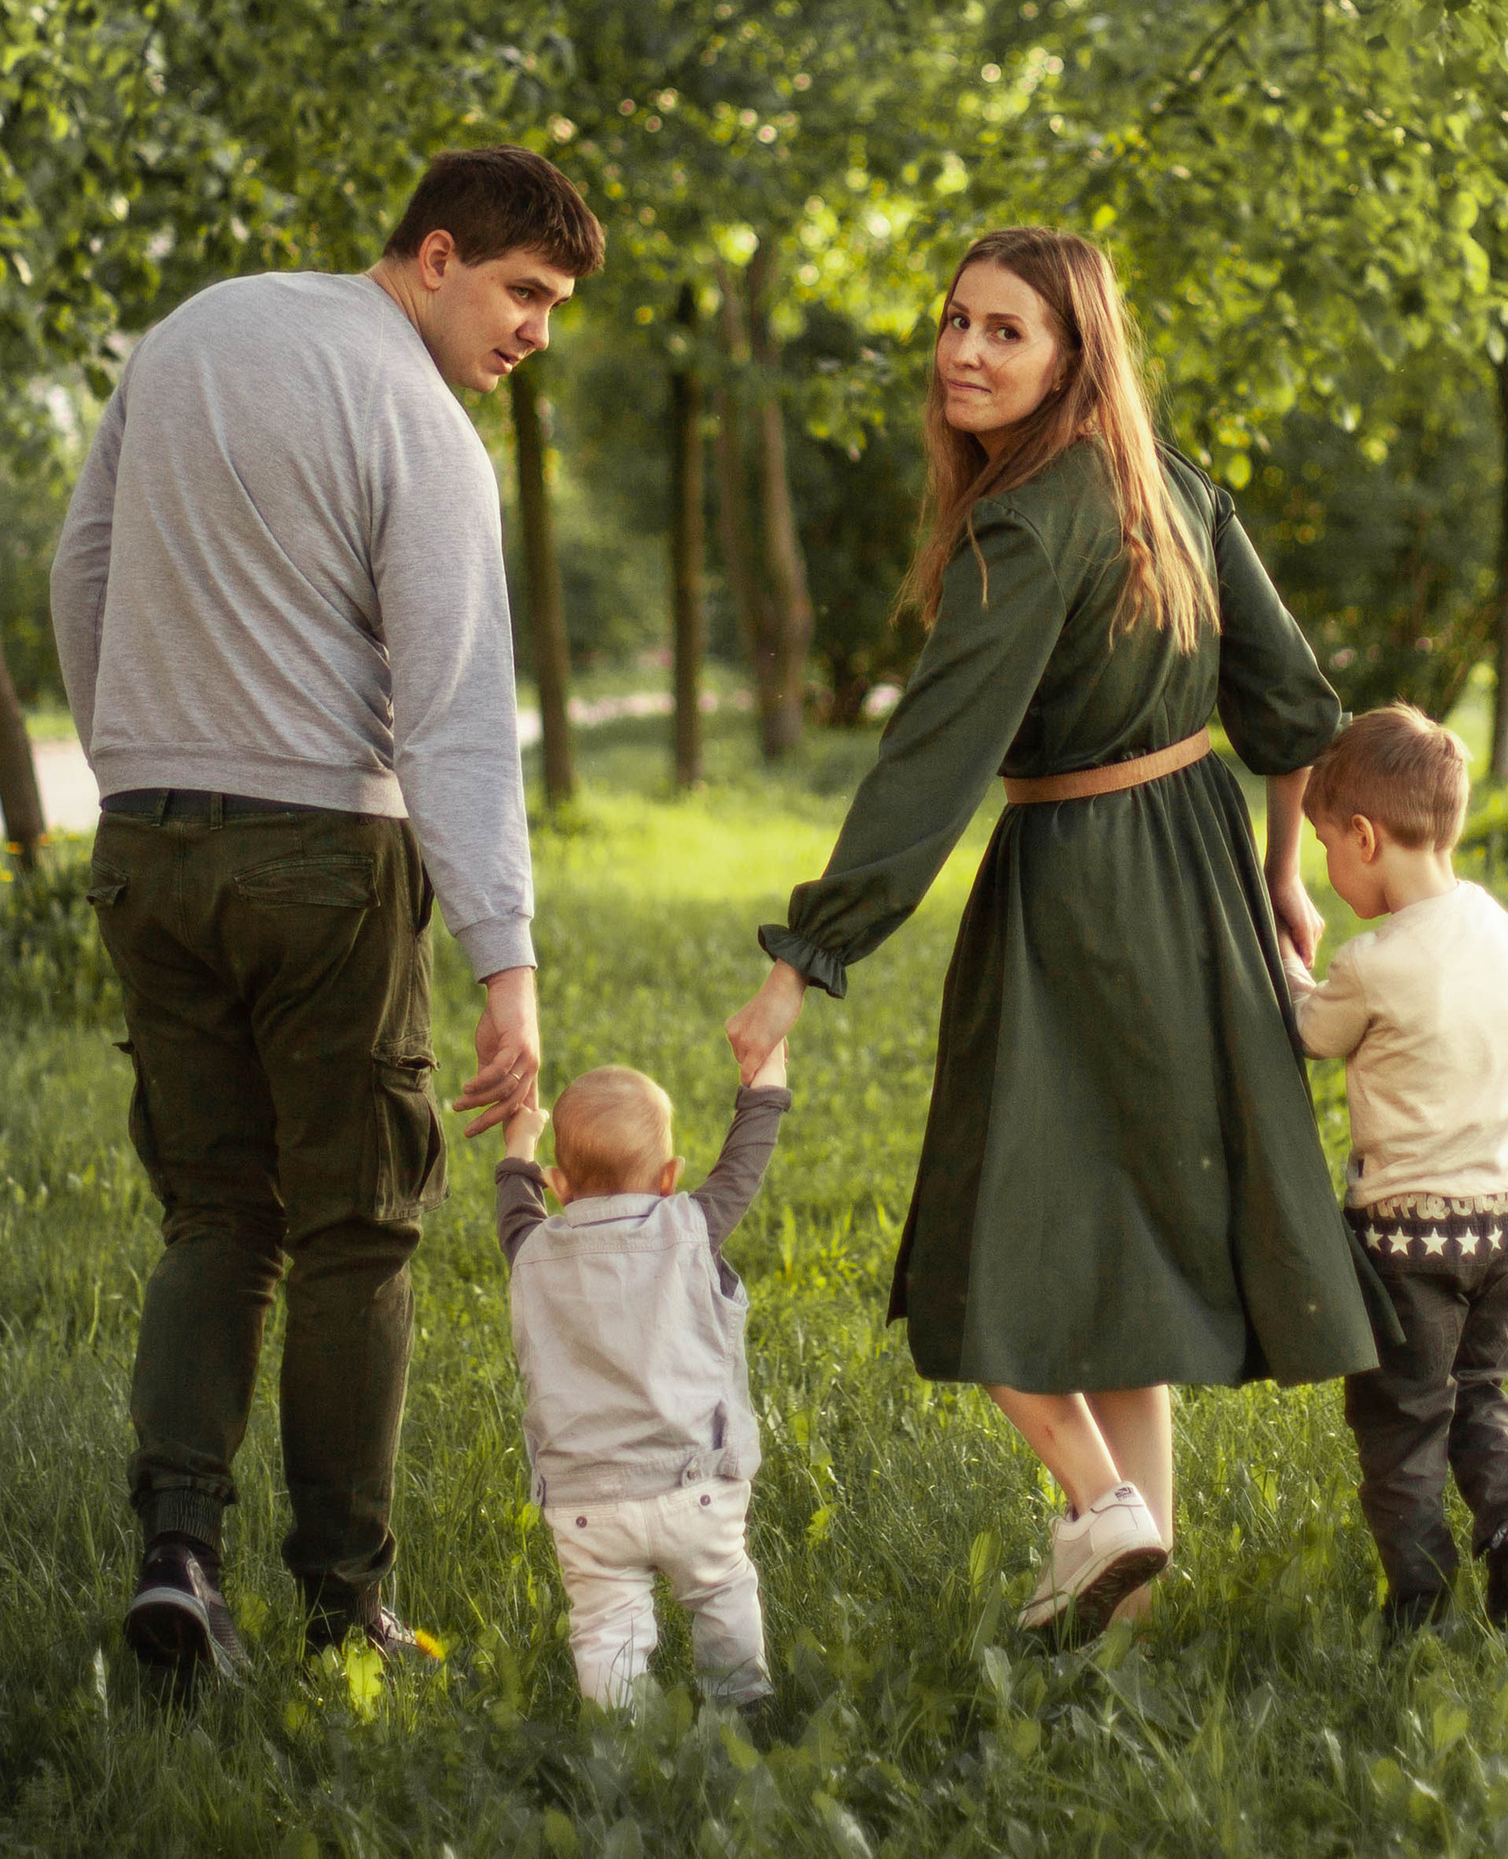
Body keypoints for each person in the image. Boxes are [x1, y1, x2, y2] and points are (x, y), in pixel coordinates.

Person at [724, 225, 1375, 1641]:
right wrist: (1278, 875)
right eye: (956, 322)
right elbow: (1293, 713)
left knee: (994, 1245)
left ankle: (1100, 1510)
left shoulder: (1025, 523)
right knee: (1127, 1261)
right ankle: (1127, 1614)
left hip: (1078, 893)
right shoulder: (1174, 488)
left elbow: (934, 757)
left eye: (1004, 331)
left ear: (1076, 353)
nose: (963, 351)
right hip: (1194, 875)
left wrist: (806, 957)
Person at [49, 145, 602, 1686]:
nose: (534, 334)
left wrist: (138, 761)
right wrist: (509, 965)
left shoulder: (196, 332)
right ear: (436, 255)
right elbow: (453, 715)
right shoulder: (421, 424)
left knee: (216, 1215)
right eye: (523, 293)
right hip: (324, 859)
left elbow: (76, 565)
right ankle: (343, 1603)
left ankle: (177, 1560)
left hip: (150, 845)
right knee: (359, 1233)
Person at [1283, 704, 1508, 1636]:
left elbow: (1308, 1031)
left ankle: (1421, 1603)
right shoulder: (1503, 928)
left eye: (1326, 843)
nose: (1326, 862)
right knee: (1481, 1396)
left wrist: (1284, 959)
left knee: (1402, 1422)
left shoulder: (1371, 963)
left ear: (1364, 837)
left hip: (1412, 1238)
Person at [493, 1050, 792, 1710]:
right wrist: (765, 1082)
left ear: (560, 1185)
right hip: (696, 1485)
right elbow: (743, 1167)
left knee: (604, 1626)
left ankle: (620, 1743)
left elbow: (515, 1206)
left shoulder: (532, 1251)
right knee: (721, 1590)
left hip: (585, 1499)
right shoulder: (693, 1227)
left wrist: (521, 1140)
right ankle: (739, 1705)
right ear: (669, 1178)